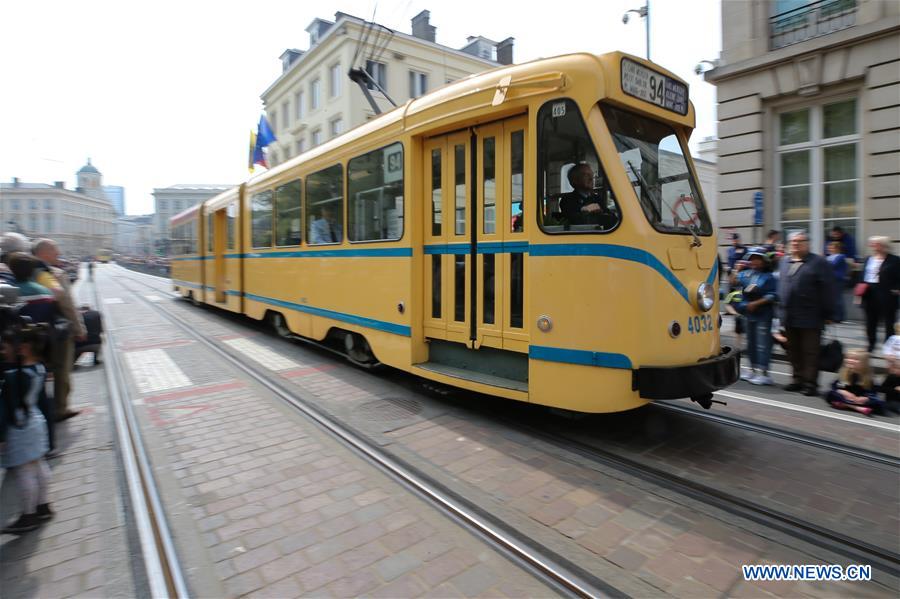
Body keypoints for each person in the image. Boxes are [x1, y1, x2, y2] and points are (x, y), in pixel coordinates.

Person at [0, 324, 54, 534]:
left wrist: (1, 435)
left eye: (5, 347)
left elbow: (5, 410)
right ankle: (43, 506)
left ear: (23, 348)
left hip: (19, 427)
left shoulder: (14, 376)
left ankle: (28, 515)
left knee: (24, 472)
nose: (2, 351)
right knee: (39, 465)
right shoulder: (39, 368)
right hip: (35, 420)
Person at [33, 238, 86, 421]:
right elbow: (67, 305)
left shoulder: (24, 271)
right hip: (58, 330)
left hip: (33, 332)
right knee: (62, 370)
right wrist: (79, 328)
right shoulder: (55, 274)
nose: (58, 254)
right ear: (44, 253)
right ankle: (60, 408)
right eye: (55, 250)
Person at [778, 231, 836, 396]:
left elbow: (829, 289)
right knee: (793, 350)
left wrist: (830, 314)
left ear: (807, 243)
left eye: (800, 241)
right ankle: (797, 379)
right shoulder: (784, 261)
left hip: (811, 316)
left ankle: (810, 383)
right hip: (789, 316)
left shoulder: (818, 262)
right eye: (793, 241)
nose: (796, 244)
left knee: (810, 352)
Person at [732, 248, 778, 385]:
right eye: (751, 259)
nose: (754, 261)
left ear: (764, 261)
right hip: (748, 313)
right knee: (750, 343)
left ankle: (764, 373)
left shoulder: (769, 277)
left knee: (762, 344)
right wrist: (736, 269)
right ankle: (752, 370)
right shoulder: (745, 274)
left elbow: (773, 295)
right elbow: (733, 282)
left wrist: (757, 303)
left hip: (763, 314)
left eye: (757, 259)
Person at [859, 236, 900, 353]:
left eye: (877, 244)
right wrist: (860, 288)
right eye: (873, 244)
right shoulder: (869, 259)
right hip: (869, 292)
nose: (873, 246)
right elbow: (862, 275)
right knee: (870, 322)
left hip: (886, 293)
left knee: (889, 323)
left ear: (884, 246)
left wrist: (897, 289)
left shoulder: (894, 260)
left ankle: (888, 346)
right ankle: (871, 344)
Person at [558, 163, 618, 229]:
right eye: (586, 175)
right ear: (575, 180)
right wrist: (584, 209)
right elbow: (572, 219)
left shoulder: (597, 198)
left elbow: (612, 219)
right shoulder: (567, 200)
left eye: (592, 175)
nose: (591, 178)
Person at [825, 349, 883, 415]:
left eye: (855, 359)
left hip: (859, 400)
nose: (850, 361)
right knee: (830, 394)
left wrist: (865, 398)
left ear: (864, 363)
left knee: (878, 403)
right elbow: (836, 386)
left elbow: (873, 392)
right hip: (846, 398)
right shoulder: (844, 373)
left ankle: (845, 405)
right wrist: (843, 392)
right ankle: (857, 408)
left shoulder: (868, 377)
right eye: (848, 358)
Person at [826, 240, 849, 323]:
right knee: (831, 299)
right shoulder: (829, 257)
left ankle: (839, 317)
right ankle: (832, 316)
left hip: (837, 280)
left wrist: (823, 262)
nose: (829, 249)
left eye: (831, 247)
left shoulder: (840, 256)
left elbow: (833, 265)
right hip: (830, 279)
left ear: (837, 248)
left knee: (837, 299)